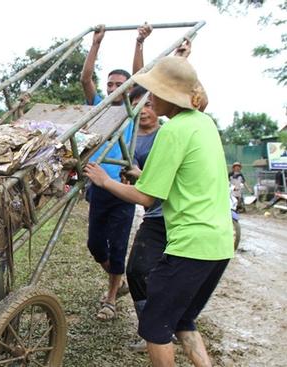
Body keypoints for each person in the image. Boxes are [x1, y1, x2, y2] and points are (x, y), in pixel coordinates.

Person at [84, 56, 233, 367]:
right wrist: (143, 176)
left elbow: (146, 198)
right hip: (219, 244)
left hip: (190, 245)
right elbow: (187, 179)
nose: (149, 98)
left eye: (154, 92)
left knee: (154, 325)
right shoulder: (204, 124)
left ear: (170, 97)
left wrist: (104, 181)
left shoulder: (173, 130)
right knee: (182, 321)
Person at [79, 24, 136, 320]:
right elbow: (85, 79)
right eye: (111, 84)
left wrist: (139, 42)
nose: (113, 89)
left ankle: (111, 297)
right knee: (95, 245)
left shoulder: (131, 110)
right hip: (99, 188)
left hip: (122, 189)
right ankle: (119, 278)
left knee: (118, 248)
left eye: (119, 85)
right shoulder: (99, 108)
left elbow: (142, 77)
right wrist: (95, 44)